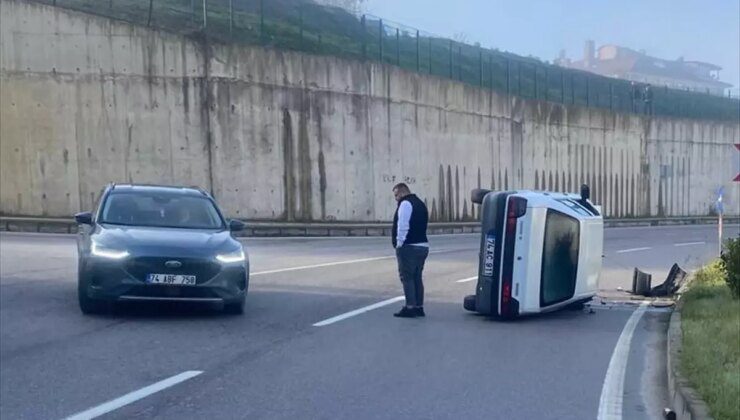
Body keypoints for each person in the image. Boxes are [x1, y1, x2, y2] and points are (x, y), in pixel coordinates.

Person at [391, 183, 429, 318]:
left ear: (402, 192)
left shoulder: (405, 204)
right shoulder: (420, 203)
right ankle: (419, 307)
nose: (396, 198)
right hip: (423, 245)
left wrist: (399, 244)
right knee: (417, 277)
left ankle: (410, 307)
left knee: (407, 277)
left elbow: (403, 225)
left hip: (409, 246)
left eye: (396, 195)